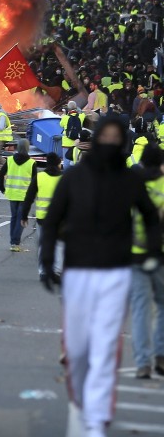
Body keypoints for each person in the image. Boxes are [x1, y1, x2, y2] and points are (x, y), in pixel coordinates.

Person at [40, 115, 162, 437]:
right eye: (103, 137)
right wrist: (47, 261)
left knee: (105, 348)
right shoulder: (74, 177)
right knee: (78, 351)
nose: (108, 143)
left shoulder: (130, 180)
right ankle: (80, 403)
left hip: (116, 273)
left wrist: (149, 253)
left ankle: (95, 419)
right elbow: (51, 221)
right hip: (78, 273)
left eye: (114, 137)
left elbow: (151, 218)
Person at [129, 143, 164, 379]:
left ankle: (142, 363)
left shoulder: (131, 185)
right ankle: (161, 356)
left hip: (135, 254)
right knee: (162, 307)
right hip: (161, 254)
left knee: (140, 309)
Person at [20, 152, 64, 280]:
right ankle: (57, 270)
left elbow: (29, 198)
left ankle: (43, 271)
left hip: (42, 218)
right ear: (58, 163)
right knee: (59, 244)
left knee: (43, 244)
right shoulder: (63, 178)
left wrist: (24, 216)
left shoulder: (39, 177)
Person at [0, 138, 36, 252]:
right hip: (25, 195)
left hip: (12, 193)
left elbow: (1, 174)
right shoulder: (31, 163)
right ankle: (15, 242)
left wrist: (2, 188)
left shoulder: (9, 160)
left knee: (14, 217)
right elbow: (34, 181)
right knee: (21, 218)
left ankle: (13, 242)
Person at [60, 101, 86, 169]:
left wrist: (65, 114)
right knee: (76, 161)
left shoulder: (65, 117)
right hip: (76, 143)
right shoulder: (81, 117)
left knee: (66, 162)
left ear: (68, 109)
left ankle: (66, 177)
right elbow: (82, 113)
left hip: (66, 143)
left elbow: (61, 124)